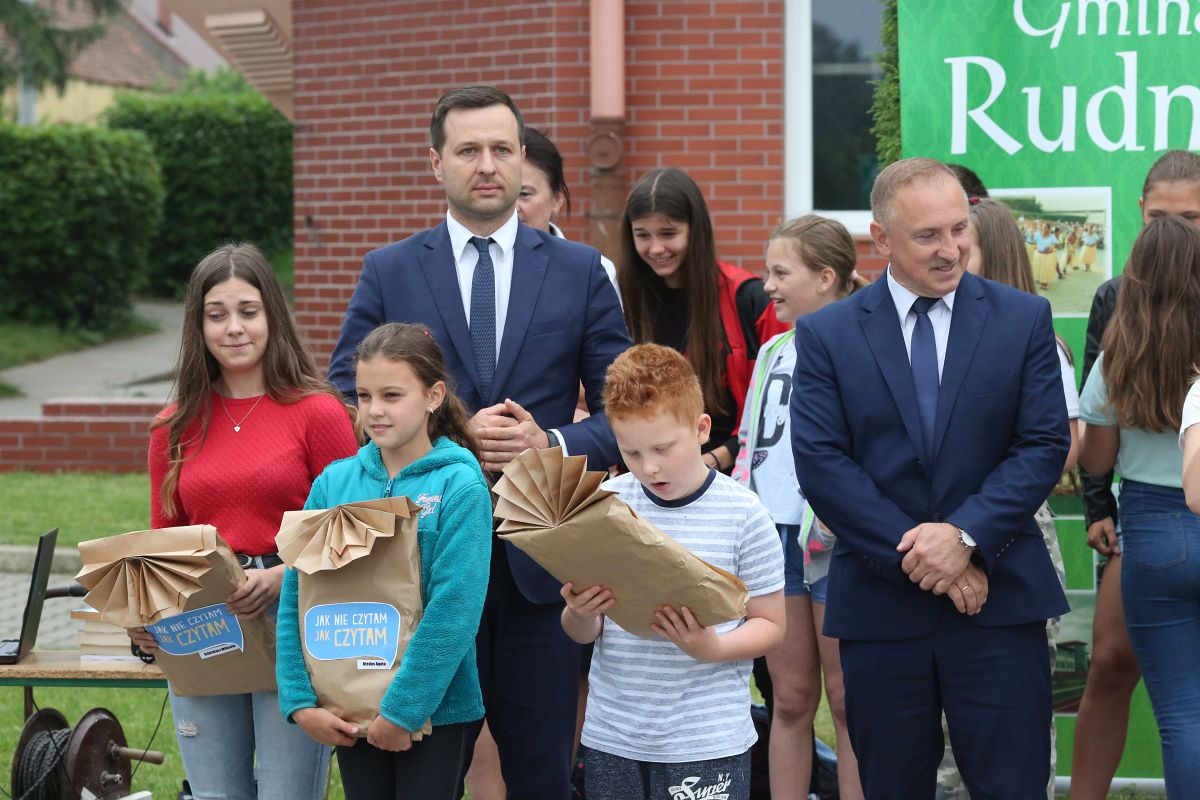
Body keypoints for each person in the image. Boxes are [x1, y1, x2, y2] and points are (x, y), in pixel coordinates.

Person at [326, 85, 631, 799]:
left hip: (541, 569)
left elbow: (626, 410)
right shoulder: (390, 270)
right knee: (420, 780)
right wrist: (451, 432)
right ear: (437, 163)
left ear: (522, 157)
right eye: (468, 150)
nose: (486, 165)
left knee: (542, 778)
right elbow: (344, 392)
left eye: (500, 149)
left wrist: (548, 438)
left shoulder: (581, 271)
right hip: (416, 570)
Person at [790, 157, 1070, 797]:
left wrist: (965, 537)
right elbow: (823, 463)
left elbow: (1042, 445)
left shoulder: (1023, 318)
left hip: (999, 603)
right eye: (928, 236)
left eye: (958, 229)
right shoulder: (828, 334)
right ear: (881, 238)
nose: (951, 249)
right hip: (882, 609)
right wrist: (927, 558)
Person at [134, 243, 359, 800]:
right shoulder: (174, 425)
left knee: (288, 793)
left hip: (295, 617)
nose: (234, 328)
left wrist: (283, 575)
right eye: (217, 315)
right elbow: (164, 541)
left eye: (248, 311)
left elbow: (352, 527)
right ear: (199, 326)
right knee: (214, 794)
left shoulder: (318, 411)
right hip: (203, 621)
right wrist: (142, 616)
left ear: (272, 316)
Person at [276, 322, 493, 799]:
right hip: (347, 709)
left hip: (436, 712)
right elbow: (297, 595)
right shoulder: (333, 484)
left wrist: (403, 712)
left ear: (434, 396)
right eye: (364, 395)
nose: (375, 410)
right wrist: (299, 699)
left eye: (392, 395)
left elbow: (455, 610)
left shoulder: (460, 485)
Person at [562, 343, 785, 800]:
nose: (649, 467)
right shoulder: (607, 504)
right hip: (614, 736)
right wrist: (580, 612)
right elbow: (584, 632)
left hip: (707, 739)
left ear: (701, 429)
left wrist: (712, 647)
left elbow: (771, 624)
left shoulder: (744, 513)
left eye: (663, 448)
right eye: (631, 452)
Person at [932, 196, 1081, 800]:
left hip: (1016, 534)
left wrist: (982, 508)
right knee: (943, 726)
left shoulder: (1032, 337)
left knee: (1014, 710)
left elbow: (1062, 446)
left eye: (962, 244)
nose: (947, 256)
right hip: (936, 538)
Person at [1071, 149, 1200, 799]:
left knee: (1183, 715)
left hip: (1154, 527)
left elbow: (1094, 455)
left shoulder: (1124, 342)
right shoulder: (1114, 308)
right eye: (1161, 216)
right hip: (1150, 518)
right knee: (1122, 672)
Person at [731, 215, 865, 800]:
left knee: (847, 699)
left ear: (826, 277)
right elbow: (749, 446)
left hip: (838, 540)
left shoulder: (866, 346)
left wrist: (845, 509)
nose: (769, 286)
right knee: (788, 698)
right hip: (774, 538)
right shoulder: (773, 350)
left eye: (781, 273)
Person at [618, 167, 788, 474]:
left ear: (695, 230)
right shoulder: (622, 300)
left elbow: (778, 406)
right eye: (642, 235)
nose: (655, 248)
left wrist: (715, 460)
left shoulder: (748, 299)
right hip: (649, 474)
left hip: (733, 473)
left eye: (668, 233)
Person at [517, 126, 619, 296]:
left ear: (557, 199)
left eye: (525, 194)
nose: (513, 208)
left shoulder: (593, 271)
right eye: (504, 193)